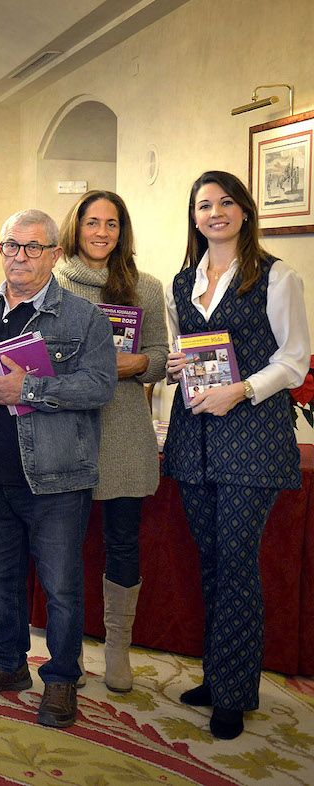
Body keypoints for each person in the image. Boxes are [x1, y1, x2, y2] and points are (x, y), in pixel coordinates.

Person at [0, 209, 116, 729]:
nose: (19, 256)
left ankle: (62, 678)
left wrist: (31, 391)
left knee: (61, 586)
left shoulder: (82, 317)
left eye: (32, 247)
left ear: (55, 254)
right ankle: (7, 663)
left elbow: (100, 387)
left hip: (57, 479)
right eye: (11, 246)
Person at [163, 171, 309, 740]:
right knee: (211, 562)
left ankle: (232, 691)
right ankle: (225, 675)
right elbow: (182, 350)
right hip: (195, 434)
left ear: (245, 211)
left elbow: (295, 359)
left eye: (226, 202)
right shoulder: (182, 281)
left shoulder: (277, 277)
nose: (215, 212)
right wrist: (177, 367)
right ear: (195, 217)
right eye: (204, 205)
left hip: (252, 434)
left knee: (237, 563)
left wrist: (241, 388)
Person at [55, 191, 168, 692]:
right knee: (67, 548)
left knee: (122, 541)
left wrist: (136, 364)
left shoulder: (145, 286)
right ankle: (69, 649)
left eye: (112, 224)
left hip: (124, 432)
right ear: (75, 227)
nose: (101, 232)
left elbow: (163, 356)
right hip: (65, 431)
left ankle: (118, 648)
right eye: (92, 222)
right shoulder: (50, 283)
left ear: (123, 231)